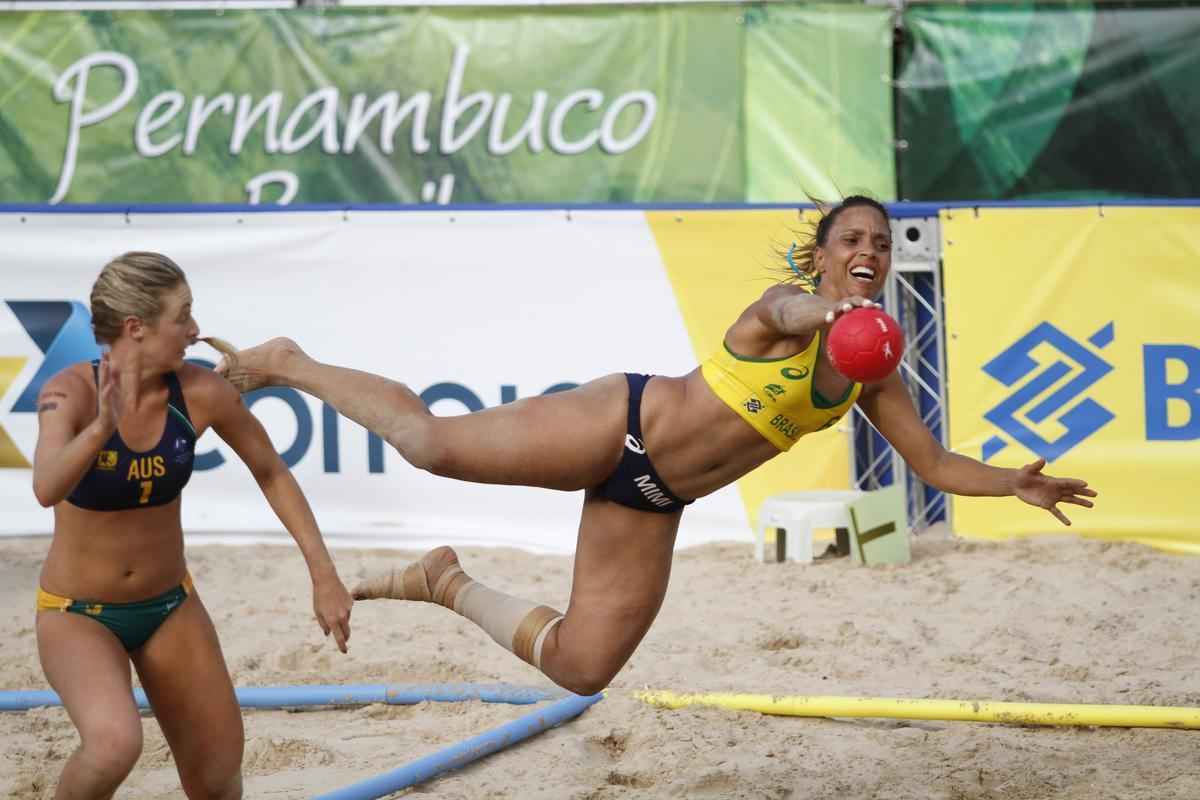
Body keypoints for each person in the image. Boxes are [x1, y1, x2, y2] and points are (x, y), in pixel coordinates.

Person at [216, 196, 1096, 697]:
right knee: (428, 444)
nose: (869, 250)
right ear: (823, 256)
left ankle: (446, 582)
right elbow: (789, 308)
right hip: (623, 422)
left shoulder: (875, 373)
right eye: (851, 240)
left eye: (881, 243)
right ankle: (292, 361)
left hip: (655, 498)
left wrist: (1012, 483)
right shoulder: (784, 311)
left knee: (582, 668)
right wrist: (826, 311)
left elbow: (933, 466)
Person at [32, 252, 354, 800]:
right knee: (114, 746)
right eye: (182, 316)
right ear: (136, 327)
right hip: (78, 613)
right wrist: (102, 429)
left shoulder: (201, 392)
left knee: (218, 778)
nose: (195, 329)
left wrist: (324, 574)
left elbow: (272, 472)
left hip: (168, 606)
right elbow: (46, 487)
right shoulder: (70, 392)